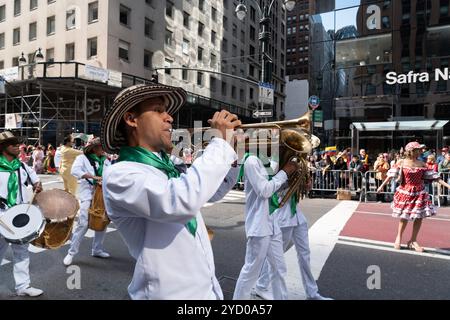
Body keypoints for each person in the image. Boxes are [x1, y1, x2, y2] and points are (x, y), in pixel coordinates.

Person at [101, 84, 241, 300]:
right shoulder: (120, 174)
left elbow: (212, 192)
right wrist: (220, 143)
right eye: (158, 110)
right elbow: (182, 201)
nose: (169, 118)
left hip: (205, 290)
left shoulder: (168, 165)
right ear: (131, 119)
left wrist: (234, 153)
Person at [232, 139, 299, 300]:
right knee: (251, 270)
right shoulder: (251, 161)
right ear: (262, 142)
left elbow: (273, 187)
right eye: (273, 141)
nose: (279, 145)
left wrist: (291, 179)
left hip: (272, 222)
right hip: (259, 224)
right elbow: (264, 190)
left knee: (279, 268)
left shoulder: (266, 161)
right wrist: (285, 172)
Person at [377, 142, 450, 251]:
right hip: (405, 191)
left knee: (419, 216)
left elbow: (435, 177)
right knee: (404, 216)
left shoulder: (422, 163)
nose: (420, 151)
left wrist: (448, 186)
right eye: (418, 149)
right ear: (411, 151)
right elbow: (391, 174)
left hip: (419, 192)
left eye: (420, 149)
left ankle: (413, 240)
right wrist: (381, 186)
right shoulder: (401, 162)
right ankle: (399, 238)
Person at [0, 131, 44, 297]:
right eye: (13, 144)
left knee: (22, 251)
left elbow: (35, 180)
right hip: (1, 214)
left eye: (18, 143)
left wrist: (37, 186)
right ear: (4, 148)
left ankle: (23, 286)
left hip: (19, 214)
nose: (18, 147)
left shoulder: (22, 166)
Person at [63, 137, 111, 266]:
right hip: (87, 194)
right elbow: (75, 171)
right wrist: (93, 177)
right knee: (83, 223)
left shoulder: (106, 160)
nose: (104, 150)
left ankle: (97, 249)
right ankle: (71, 253)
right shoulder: (82, 158)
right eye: (102, 147)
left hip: (102, 195)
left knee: (102, 221)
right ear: (94, 148)